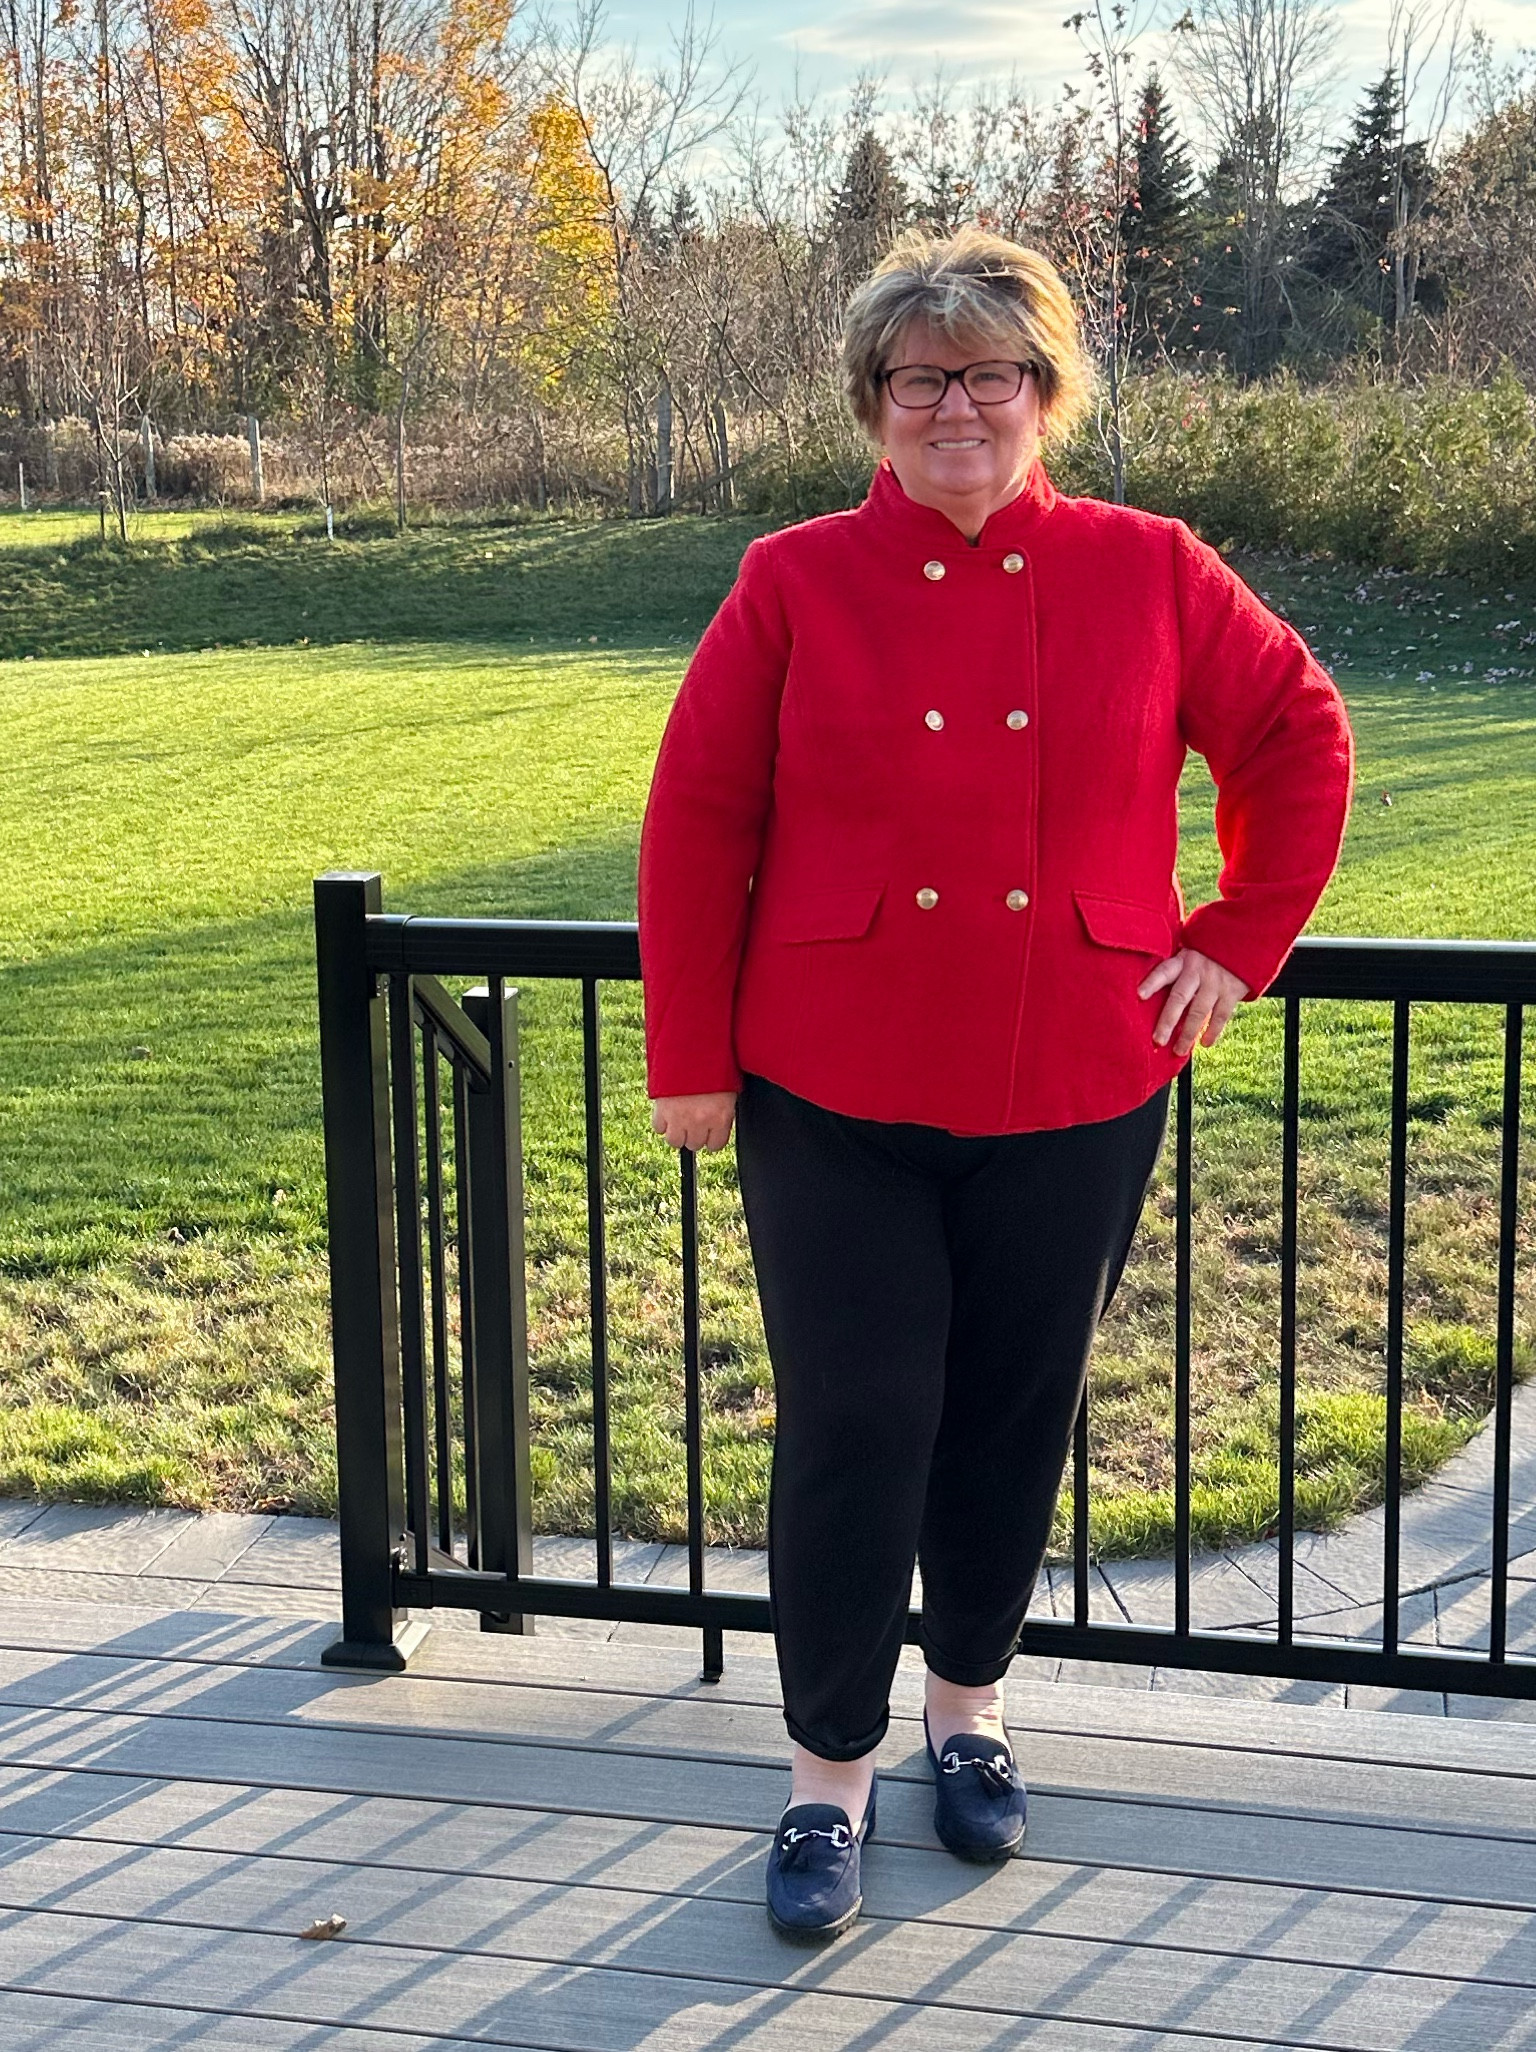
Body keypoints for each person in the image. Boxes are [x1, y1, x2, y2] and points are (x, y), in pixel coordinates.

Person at [637, 225, 1354, 1941]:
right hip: (831, 1085)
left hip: (1079, 1080)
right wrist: (688, 1055)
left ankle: (971, 1712)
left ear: (1046, 396)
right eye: (921, 378)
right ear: (875, 406)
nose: (958, 406)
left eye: (992, 375)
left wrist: (1237, 935)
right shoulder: (795, 578)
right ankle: (827, 1776)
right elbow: (701, 816)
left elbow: (1296, 735)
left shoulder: (1153, 566)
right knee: (857, 1420)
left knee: (1014, 1414)